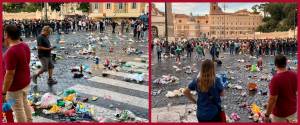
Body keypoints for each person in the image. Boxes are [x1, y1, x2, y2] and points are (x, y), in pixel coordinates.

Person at [2, 24, 33, 122]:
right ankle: (29, 121)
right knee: (24, 104)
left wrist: (4, 92)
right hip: (25, 82)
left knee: (18, 110)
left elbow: (9, 74)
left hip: (15, 87)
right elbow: (26, 62)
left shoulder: (10, 52)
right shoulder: (24, 45)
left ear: (6, 35)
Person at [264, 55, 297, 123]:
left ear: (275, 64)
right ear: (286, 63)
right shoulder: (294, 74)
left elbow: (272, 100)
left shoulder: (275, 79)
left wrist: (267, 115)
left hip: (280, 115)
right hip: (293, 111)